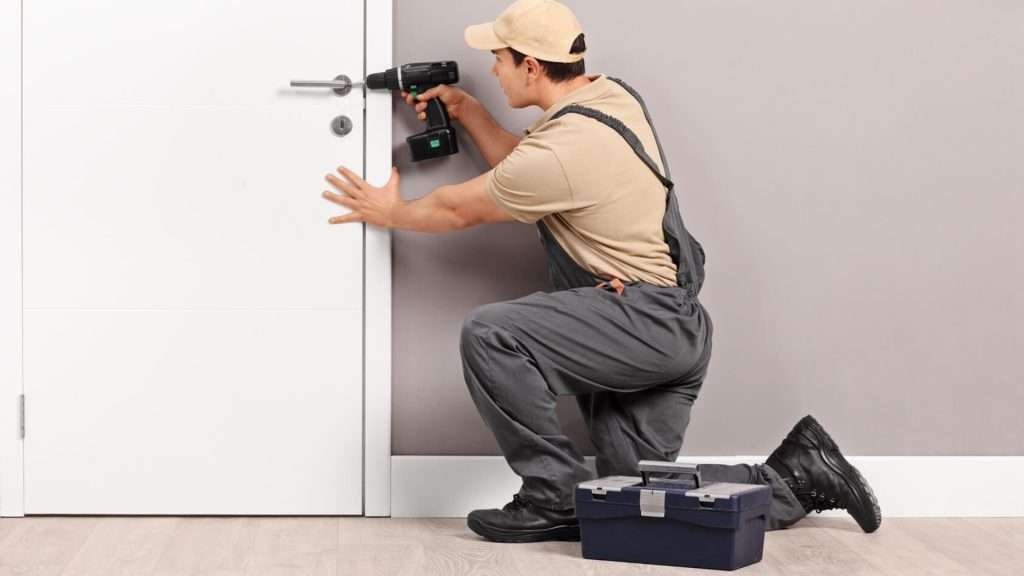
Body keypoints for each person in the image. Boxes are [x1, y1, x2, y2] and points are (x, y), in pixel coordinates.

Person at [321, 0, 881, 543]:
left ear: (531, 66)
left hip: (643, 321)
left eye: (501, 58)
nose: (493, 68)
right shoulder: (608, 98)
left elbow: (459, 207)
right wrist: (468, 111)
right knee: (630, 503)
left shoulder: (563, 151)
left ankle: (552, 496)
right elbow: (533, 167)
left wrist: (389, 211)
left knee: (490, 333)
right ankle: (798, 475)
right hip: (666, 324)